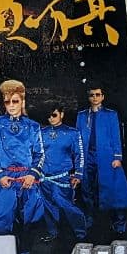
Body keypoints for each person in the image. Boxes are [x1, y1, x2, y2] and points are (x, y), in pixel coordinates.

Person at [0, 79, 45, 254]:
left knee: (29, 219)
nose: (11, 105)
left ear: (22, 101)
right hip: (6, 179)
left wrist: (32, 174)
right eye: (7, 101)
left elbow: (40, 153)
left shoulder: (33, 126)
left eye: (15, 101)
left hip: (27, 178)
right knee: (2, 220)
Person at [76, 84, 127, 235]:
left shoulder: (111, 114)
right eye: (92, 95)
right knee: (86, 188)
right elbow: (77, 139)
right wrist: (78, 158)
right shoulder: (82, 116)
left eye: (97, 94)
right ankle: (89, 217)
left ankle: (119, 221)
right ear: (89, 97)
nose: (95, 98)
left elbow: (116, 136)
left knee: (114, 188)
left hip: (106, 156)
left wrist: (117, 157)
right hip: (87, 156)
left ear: (102, 97)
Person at [39, 101, 88, 243]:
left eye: (54, 115)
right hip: (44, 178)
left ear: (62, 114)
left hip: (62, 178)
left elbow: (79, 154)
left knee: (65, 204)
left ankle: (81, 232)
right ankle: (52, 232)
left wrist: (78, 174)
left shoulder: (72, 133)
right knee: (47, 206)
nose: (51, 118)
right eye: (48, 116)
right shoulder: (41, 133)